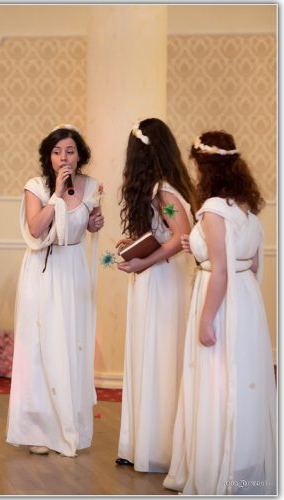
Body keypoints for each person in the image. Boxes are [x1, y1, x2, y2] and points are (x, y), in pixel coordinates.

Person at [163, 132, 275, 495]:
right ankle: (245, 469)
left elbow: (221, 271)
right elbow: (251, 262)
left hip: (220, 299)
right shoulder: (245, 206)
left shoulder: (212, 208)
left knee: (215, 382)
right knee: (241, 382)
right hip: (247, 300)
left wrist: (207, 319)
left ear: (204, 168)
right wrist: (196, 246)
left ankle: (215, 470)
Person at [5, 124, 104, 458]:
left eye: (70, 151)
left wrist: (94, 223)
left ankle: (68, 423)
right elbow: (35, 228)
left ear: (80, 156)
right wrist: (57, 194)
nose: (64, 158)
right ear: (48, 157)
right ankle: (38, 428)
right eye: (57, 152)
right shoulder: (36, 186)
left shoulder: (92, 186)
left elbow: (88, 224)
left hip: (73, 269)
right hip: (43, 272)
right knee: (40, 345)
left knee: (71, 343)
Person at [114, 118, 195, 472]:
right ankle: (142, 443)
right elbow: (165, 233)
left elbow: (181, 236)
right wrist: (135, 244)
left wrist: (145, 261)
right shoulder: (164, 190)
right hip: (154, 278)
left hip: (162, 282)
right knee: (148, 355)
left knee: (159, 356)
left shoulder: (164, 192)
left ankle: (159, 447)